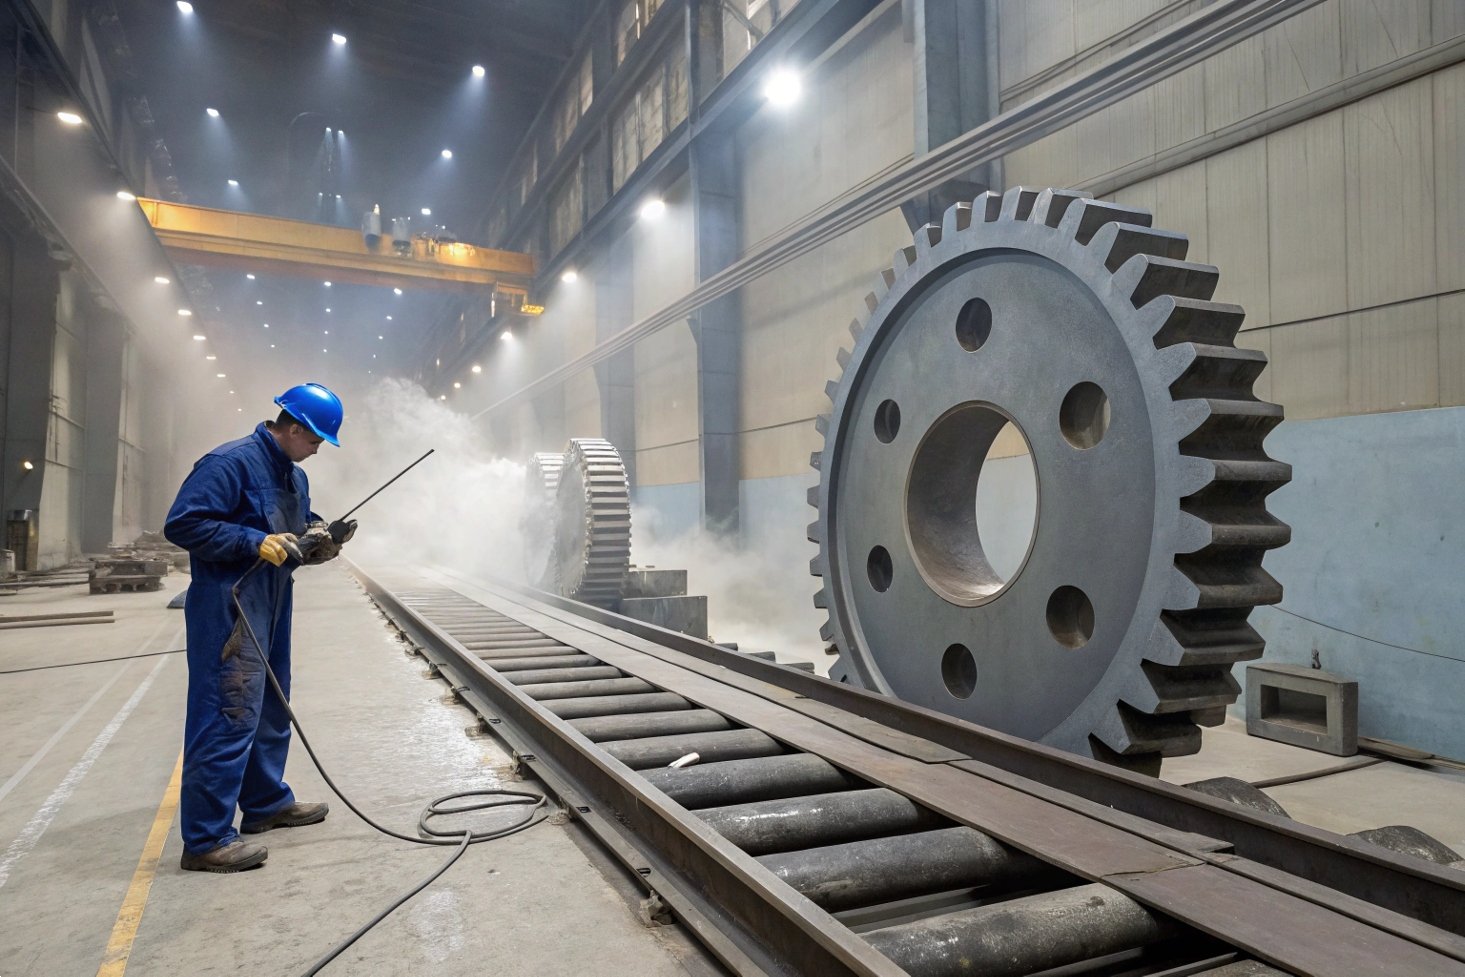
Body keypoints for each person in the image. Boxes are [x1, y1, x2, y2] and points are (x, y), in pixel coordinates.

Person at [164, 382, 352, 873]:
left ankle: (265, 803)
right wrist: (253, 541)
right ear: (292, 428)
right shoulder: (228, 463)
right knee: (228, 710)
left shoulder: (293, 476)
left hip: (272, 602)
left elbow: (294, 529)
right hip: (229, 606)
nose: (317, 450)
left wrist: (318, 541)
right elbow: (183, 524)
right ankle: (205, 841)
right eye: (314, 440)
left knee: (270, 704)